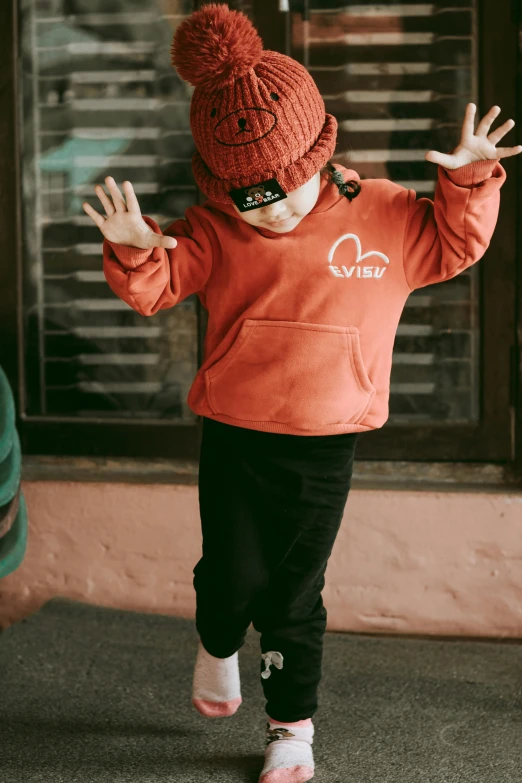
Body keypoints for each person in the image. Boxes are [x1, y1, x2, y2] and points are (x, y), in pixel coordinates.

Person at [82, 5, 519, 782]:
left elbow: (457, 243)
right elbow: (160, 284)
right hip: (234, 434)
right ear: (224, 189)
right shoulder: (218, 230)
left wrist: (468, 178)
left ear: (321, 151)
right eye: (251, 197)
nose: (274, 209)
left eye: (286, 187)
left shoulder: (385, 213)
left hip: (326, 440)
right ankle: (217, 642)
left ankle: (291, 728)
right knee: (231, 575)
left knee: (294, 588)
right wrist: (136, 252)